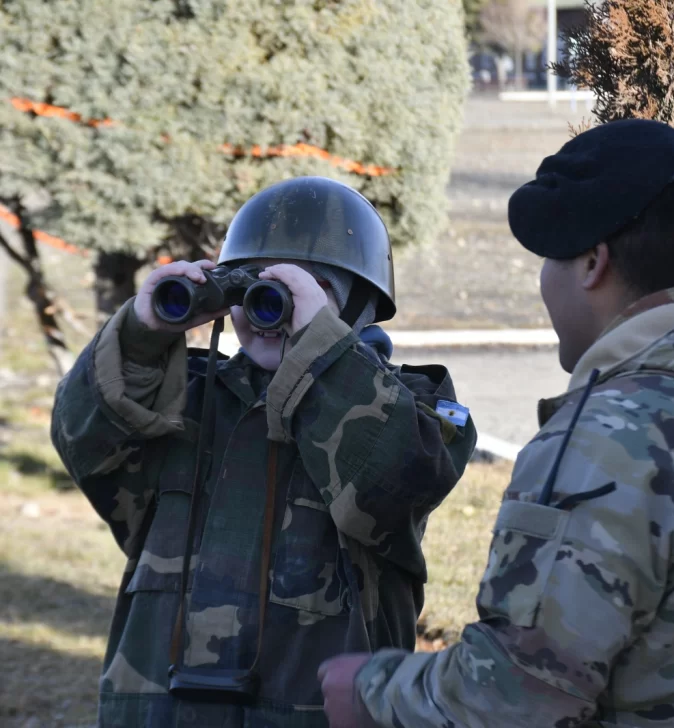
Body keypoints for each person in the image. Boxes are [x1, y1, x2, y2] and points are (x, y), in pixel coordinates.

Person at [318, 120, 674, 727]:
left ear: (593, 262)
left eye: (548, 258)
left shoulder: (613, 436)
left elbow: (518, 695)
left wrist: (368, 691)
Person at [51, 176, 476, 727]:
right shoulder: (187, 401)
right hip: (158, 709)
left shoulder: (415, 408)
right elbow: (84, 441)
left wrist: (321, 350)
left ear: (359, 304)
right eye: (250, 288)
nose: (264, 309)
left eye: (299, 292)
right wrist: (140, 336)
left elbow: (393, 485)